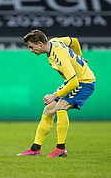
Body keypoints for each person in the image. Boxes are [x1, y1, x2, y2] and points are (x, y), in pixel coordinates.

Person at [17, 29, 95, 157]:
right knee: (48, 110)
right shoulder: (55, 41)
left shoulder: (58, 56)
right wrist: (79, 56)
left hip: (84, 82)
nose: (31, 50)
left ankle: (61, 149)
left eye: (31, 46)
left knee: (60, 106)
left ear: (40, 43)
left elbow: (74, 82)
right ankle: (35, 148)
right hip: (76, 80)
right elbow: (73, 41)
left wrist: (54, 95)